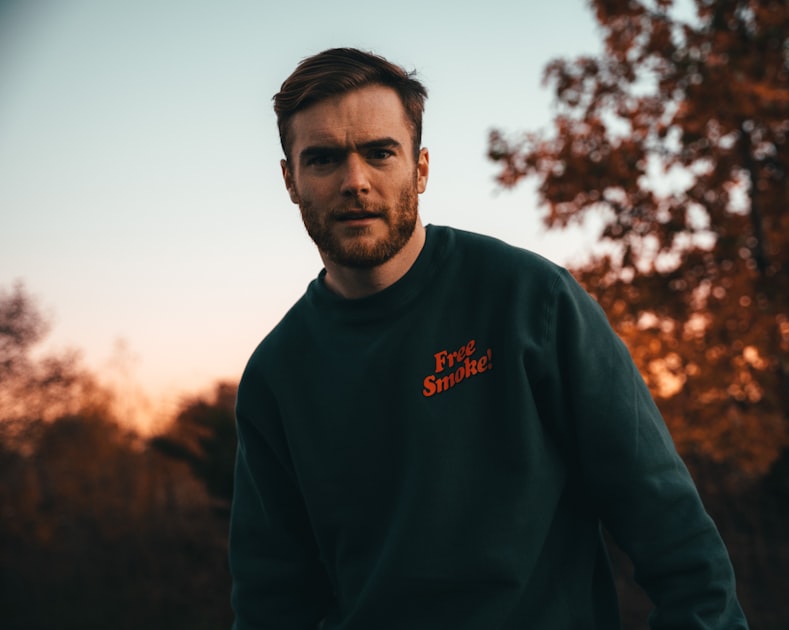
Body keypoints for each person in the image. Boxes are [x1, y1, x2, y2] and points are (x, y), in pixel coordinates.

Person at [228, 47, 748, 630]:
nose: (355, 181)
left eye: (380, 153)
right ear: (290, 181)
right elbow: (272, 601)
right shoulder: (278, 375)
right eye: (323, 159)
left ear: (420, 169)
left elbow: (672, 532)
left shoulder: (531, 300)